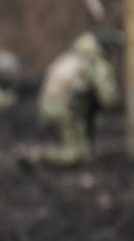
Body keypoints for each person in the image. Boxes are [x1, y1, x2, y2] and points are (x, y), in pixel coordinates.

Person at [36, 30, 121, 164]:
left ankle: (41, 154)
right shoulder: (96, 63)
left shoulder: (70, 56)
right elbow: (108, 98)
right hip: (65, 110)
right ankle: (37, 156)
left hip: (48, 106)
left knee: (81, 152)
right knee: (74, 155)